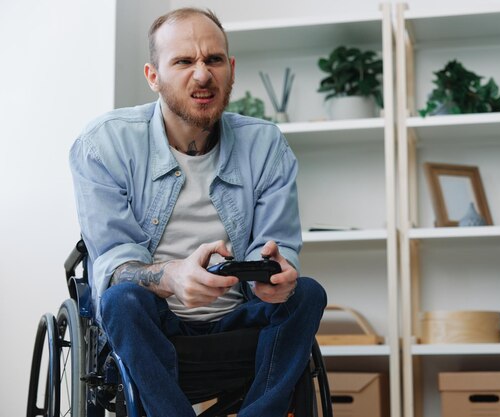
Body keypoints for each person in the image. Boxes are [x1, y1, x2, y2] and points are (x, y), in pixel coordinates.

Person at [69, 7, 326, 417]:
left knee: (307, 293)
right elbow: (113, 265)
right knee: (121, 300)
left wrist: (275, 275)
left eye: (214, 59)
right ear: (153, 76)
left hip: (240, 324)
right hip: (153, 333)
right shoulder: (103, 145)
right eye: (184, 61)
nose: (203, 74)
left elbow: (278, 247)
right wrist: (172, 276)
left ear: (231, 69)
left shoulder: (266, 146)